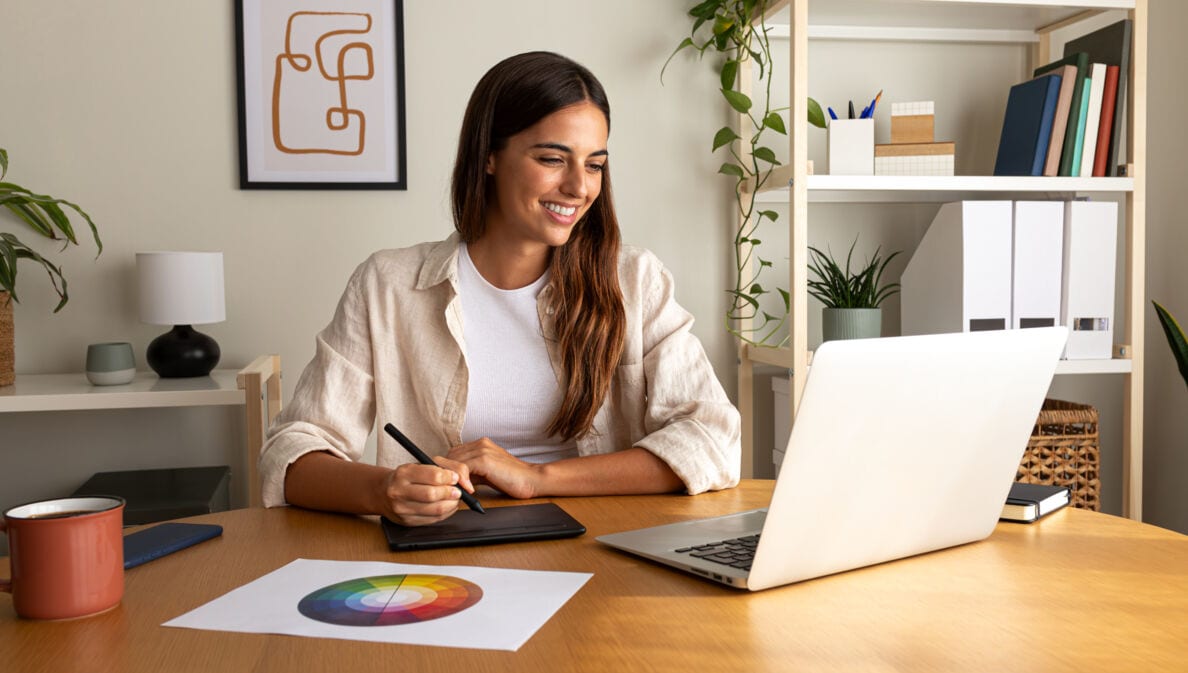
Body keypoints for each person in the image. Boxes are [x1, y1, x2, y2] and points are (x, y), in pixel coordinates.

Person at [259, 51, 740, 525]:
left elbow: (712, 440)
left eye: (594, 165)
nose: (579, 187)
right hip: (444, 549)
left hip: (600, 545)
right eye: (553, 159)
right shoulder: (388, 285)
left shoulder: (634, 281)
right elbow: (291, 453)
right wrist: (383, 491)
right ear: (489, 156)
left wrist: (536, 477)